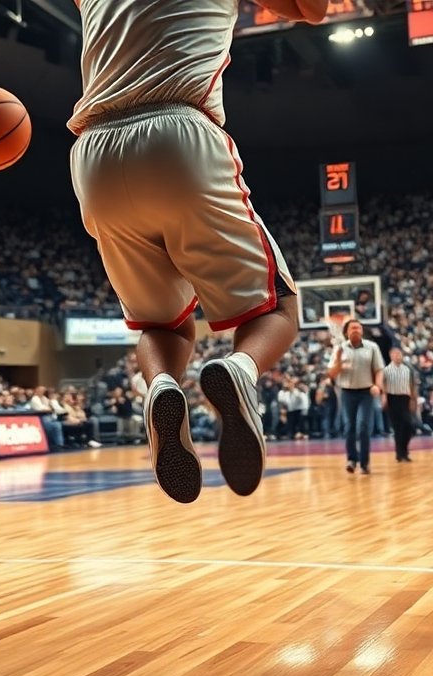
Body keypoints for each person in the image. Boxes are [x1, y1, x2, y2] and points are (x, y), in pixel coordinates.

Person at [67, 0, 328, 504]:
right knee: (280, 308)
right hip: (177, 133)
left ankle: (163, 385)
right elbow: (313, 11)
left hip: (93, 159)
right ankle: (239, 372)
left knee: (160, 326)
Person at [328, 318, 384, 475]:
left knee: (364, 427)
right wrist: (338, 359)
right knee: (349, 427)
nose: (356, 330)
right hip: (347, 392)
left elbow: (379, 369)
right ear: (346, 332)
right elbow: (331, 373)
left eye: (358, 328)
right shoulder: (339, 349)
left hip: (366, 392)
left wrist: (377, 386)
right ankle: (352, 460)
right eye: (352, 328)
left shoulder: (372, 347)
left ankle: (365, 463)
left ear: (362, 331)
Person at [381, 347, 420, 462]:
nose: (398, 356)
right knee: (397, 428)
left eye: (399, 354)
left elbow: (412, 385)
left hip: (405, 398)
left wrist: (414, 400)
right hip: (392, 398)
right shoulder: (386, 370)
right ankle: (400, 453)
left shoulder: (408, 369)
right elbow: (383, 385)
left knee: (408, 425)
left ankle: (404, 449)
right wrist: (384, 398)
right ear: (391, 356)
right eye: (395, 354)